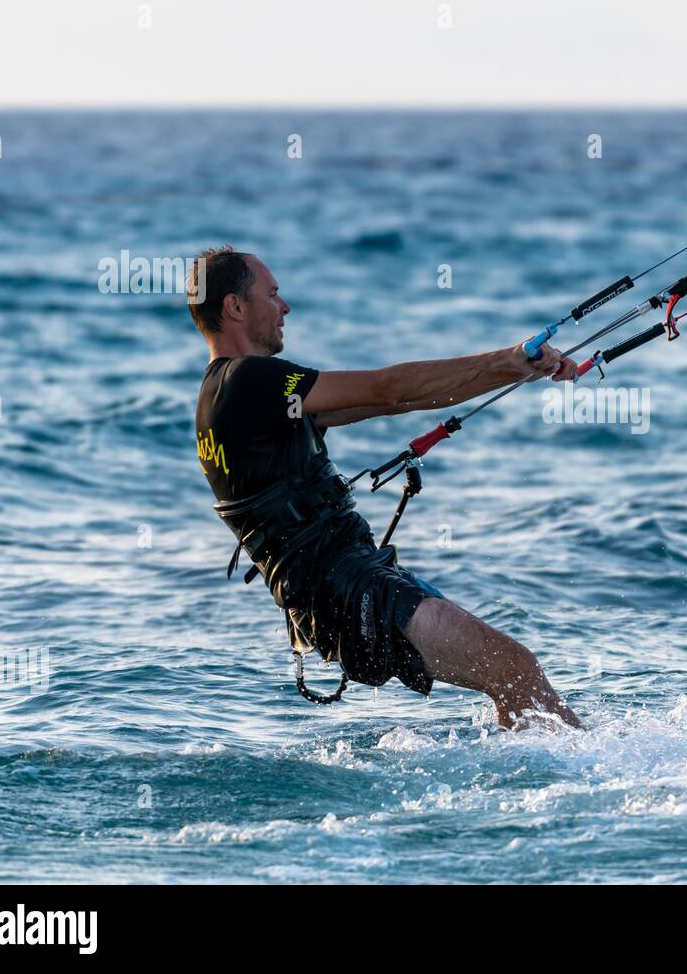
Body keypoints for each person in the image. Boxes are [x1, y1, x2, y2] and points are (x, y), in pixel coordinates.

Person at [190, 246, 582, 729]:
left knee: (511, 678)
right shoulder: (249, 379)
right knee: (515, 671)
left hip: (342, 588)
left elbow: (403, 401)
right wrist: (509, 355)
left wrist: (517, 367)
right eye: (272, 295)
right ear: (234, 307)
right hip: (346, 588)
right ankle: (588, 780)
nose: (285, 307)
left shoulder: (227, 395)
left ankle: (538, 777)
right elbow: (388, 387)